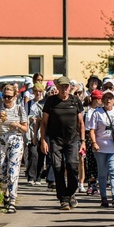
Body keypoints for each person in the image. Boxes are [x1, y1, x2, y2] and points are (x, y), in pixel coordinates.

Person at [39, 76, 86, 210]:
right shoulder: (51, 101)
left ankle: (71, 192)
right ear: (57, 88)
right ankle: (63, 199)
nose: (64, 89)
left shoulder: (75, 101)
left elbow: (81, 123)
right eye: (61, 86)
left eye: (66, 86)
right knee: (58, 168)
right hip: (55, 140)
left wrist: (83, 141)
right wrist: (43, 140)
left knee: (72, 166)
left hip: (72, 139)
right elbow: (44, 123)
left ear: (69, 87)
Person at [0, 84, 28, 213]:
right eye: (4, 96)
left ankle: (12, 200)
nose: (6, 99)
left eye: (9, 97)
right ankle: (5, 192)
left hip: (15, 140)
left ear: (15, 96)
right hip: (0, 140)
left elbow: (25, 129)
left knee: (13, 170)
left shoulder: (20, 109)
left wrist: (18, 125)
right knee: (0, 171)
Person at [88, 89, 114, 208]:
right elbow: (92, 130)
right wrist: (94, 142)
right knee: (102, 173)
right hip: (100, 147)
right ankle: (104, 198)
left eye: (111, 98)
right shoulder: (97, 113)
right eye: (106, 98)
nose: (108, 100)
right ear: (102, 100)